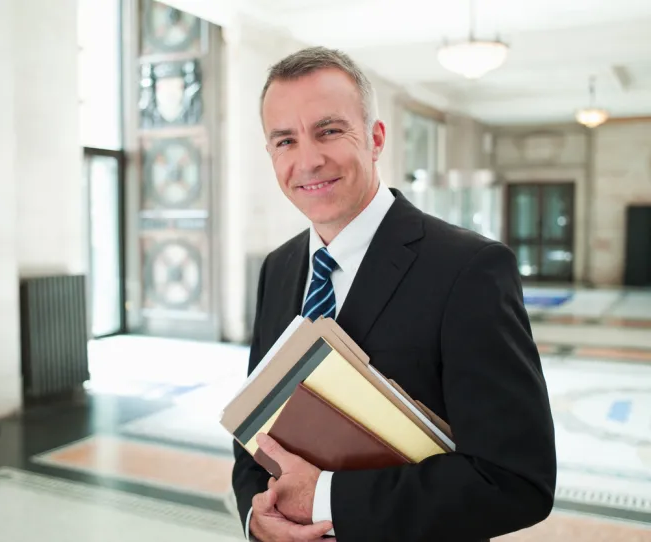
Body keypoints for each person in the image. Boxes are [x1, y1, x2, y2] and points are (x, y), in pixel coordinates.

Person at [231, 46, 557, 542]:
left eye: (329, 131)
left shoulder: (469, 269)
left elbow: (515, 480)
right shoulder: (279, 268)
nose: (308, 160)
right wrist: (259, 520)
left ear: (376, 138)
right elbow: (258, 431)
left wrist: (323, 499)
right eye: (285, 141)